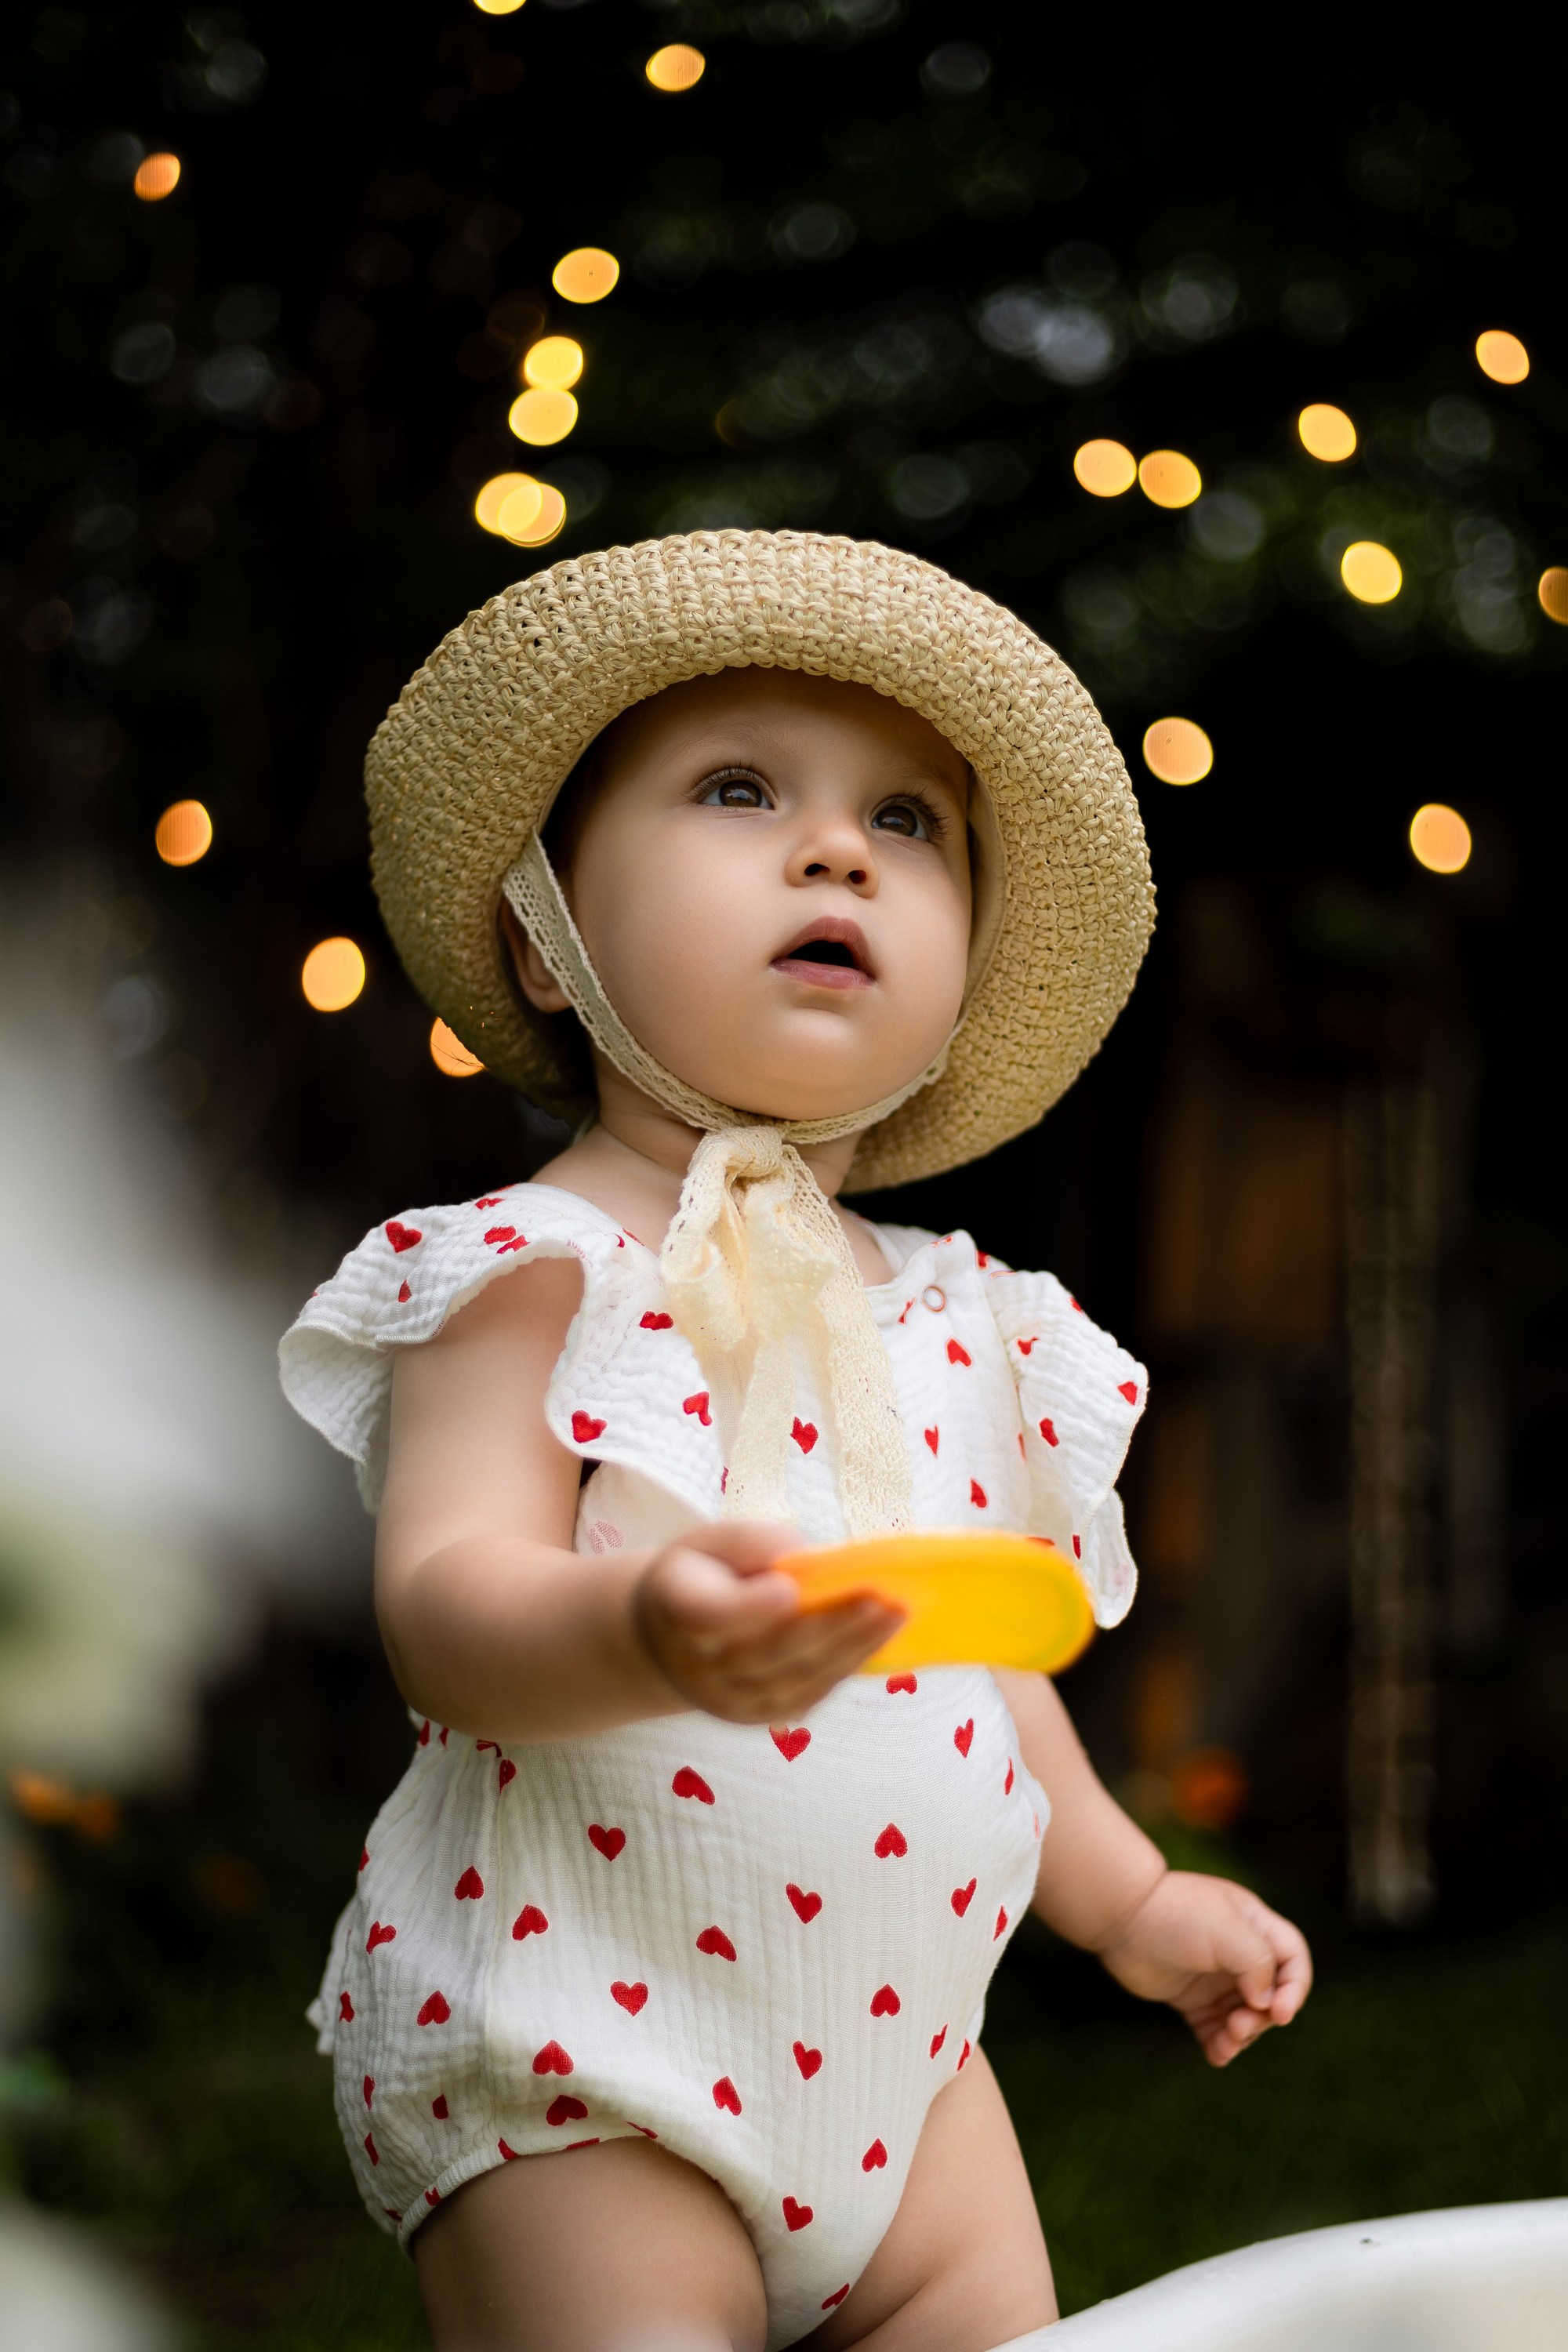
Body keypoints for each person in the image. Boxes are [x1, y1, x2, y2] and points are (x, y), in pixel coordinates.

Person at [281, 531, 1312, 2352]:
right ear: (545, 935)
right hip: (588, 2049)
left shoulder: (969, 1315)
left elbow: (969, 1654)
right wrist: (642, 1629)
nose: (837, 847)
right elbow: (442, 1606)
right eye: (739, 790)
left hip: (912, 2089)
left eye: (907, 821)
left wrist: (1129, 1890)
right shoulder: (535, 1271)